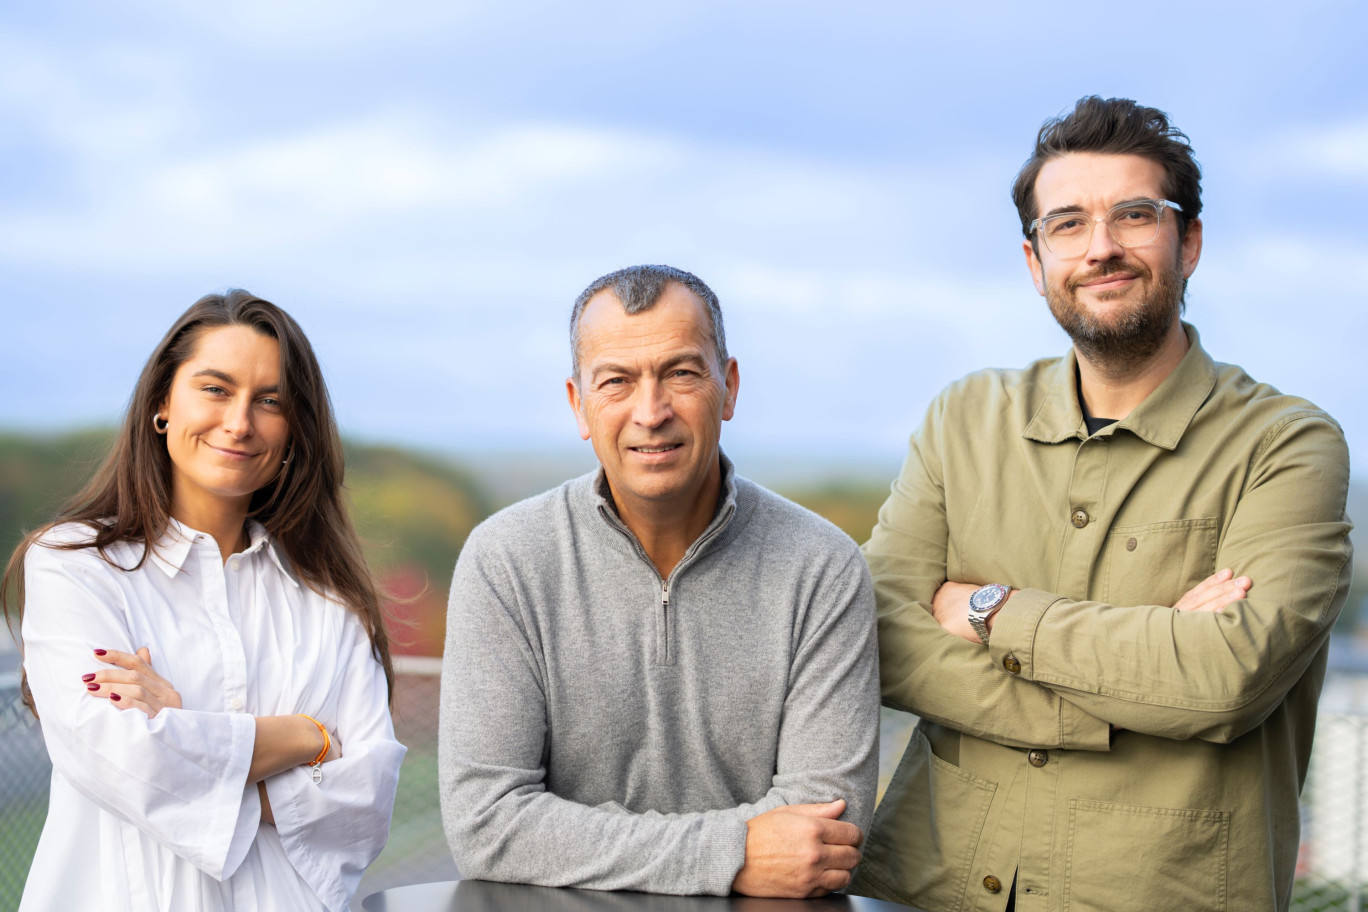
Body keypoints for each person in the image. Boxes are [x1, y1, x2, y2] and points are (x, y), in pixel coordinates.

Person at [849, 97, 1353, 912]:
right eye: (1069, 224)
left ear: (1188, 242)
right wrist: (1123, 692)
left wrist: (989, 611)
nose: (1102, 248)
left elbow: (1224, 679)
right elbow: (875, 632)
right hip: (932, 889)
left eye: (1134, 215)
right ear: (1034, 258)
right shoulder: (964, 418)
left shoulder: (1287, 444)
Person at [439, 264, 880, 898]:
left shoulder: (822, 567)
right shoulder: (507, 560)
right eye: (617, 381)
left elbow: (824, 841)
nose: (651, 412)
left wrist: (569, 840)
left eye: (680, 373)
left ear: (727, 388)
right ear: (579, 405)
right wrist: (734, 854)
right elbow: (486, 826)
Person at [3, 291, 406, 912]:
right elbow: (121, 756)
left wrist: (184, 730)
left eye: (270, 401)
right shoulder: (73, 566)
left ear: (294, 429)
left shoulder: (330, 599)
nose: (240, 422)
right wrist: (306, 739)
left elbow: (369, 796)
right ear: (163, 403)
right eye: (215, 389)